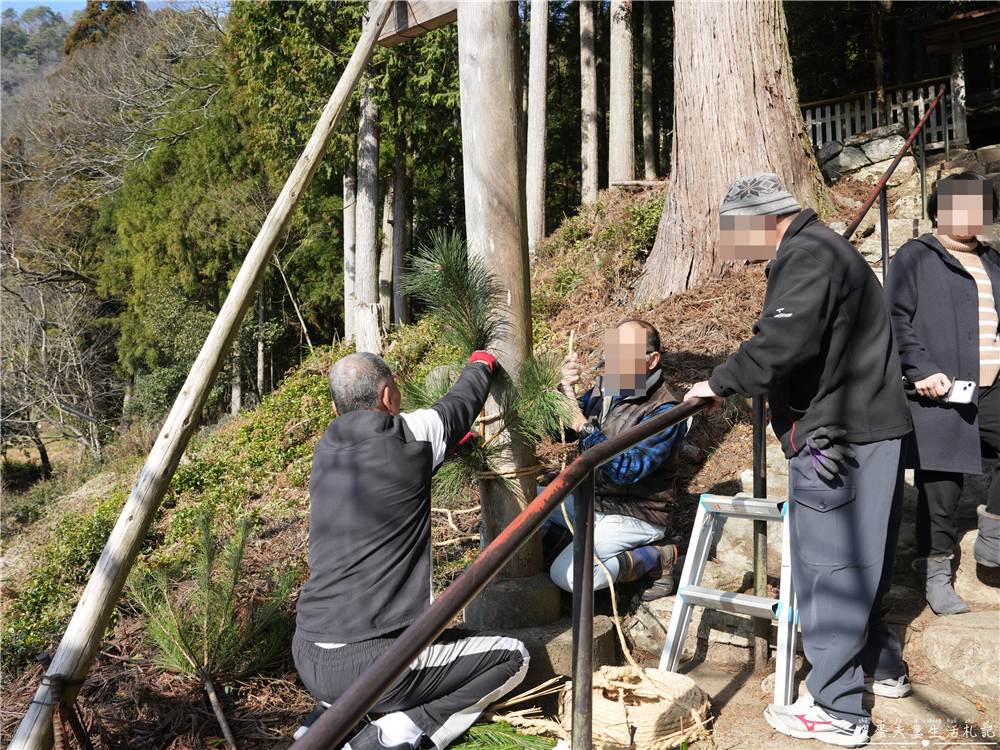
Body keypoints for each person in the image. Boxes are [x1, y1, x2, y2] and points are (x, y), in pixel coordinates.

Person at [685, 173, 913, 748]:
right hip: (869, 426)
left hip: (836, 435)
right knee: (865, 560)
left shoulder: (807, 253)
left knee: (830, 568)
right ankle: (880, 667)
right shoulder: (831, 248)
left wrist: (718, 382)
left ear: (762, 220)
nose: (735, 246)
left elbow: (780, 344)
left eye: (735, 232)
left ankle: (837, 708)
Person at [292, 351, 529, 750]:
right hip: (375, 664)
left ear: (335, 409)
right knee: (513, 656)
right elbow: (458, 407)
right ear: (388, 397)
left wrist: (444, 449)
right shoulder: (408, 433)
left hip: (308, 654)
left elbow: (390, 477)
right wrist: (482, 361)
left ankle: (326, 720)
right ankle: (395, 735)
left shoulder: (326, 452)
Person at [884, 171, 1000, 616]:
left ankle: (992, 536)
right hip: (941, 388)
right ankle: (935, 574)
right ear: (939, 208)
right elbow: (895, 317)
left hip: (992, 386)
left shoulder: (993, 260)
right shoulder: (916, 255)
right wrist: (920, 369)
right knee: (942, 487)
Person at [544, 319, 687, 601]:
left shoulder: (667, 410)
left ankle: (658, 559)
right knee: (525, 507)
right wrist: (561, 391)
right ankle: (580, 549)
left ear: (652, 359)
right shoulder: (605, 389)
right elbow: (556, 432)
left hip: (636, 513)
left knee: (568, 576)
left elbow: (628, 470)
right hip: (592, 502)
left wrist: (583, 425)